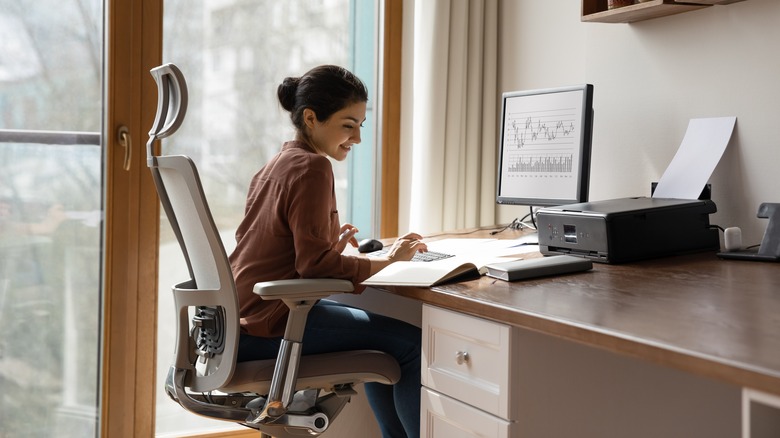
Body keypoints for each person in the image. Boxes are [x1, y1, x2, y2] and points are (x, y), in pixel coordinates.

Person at [228, 64, 427, 438]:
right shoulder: (314, 167)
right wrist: (387, 259)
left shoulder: (277, 164)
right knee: (412, 347)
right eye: (348, 125)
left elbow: (285, 253)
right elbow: (313, 264)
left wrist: (330, 249)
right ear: (311, 118)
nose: (357, 139)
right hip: (273, 323)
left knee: (389, 350)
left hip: (241, 320)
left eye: (360, 126)